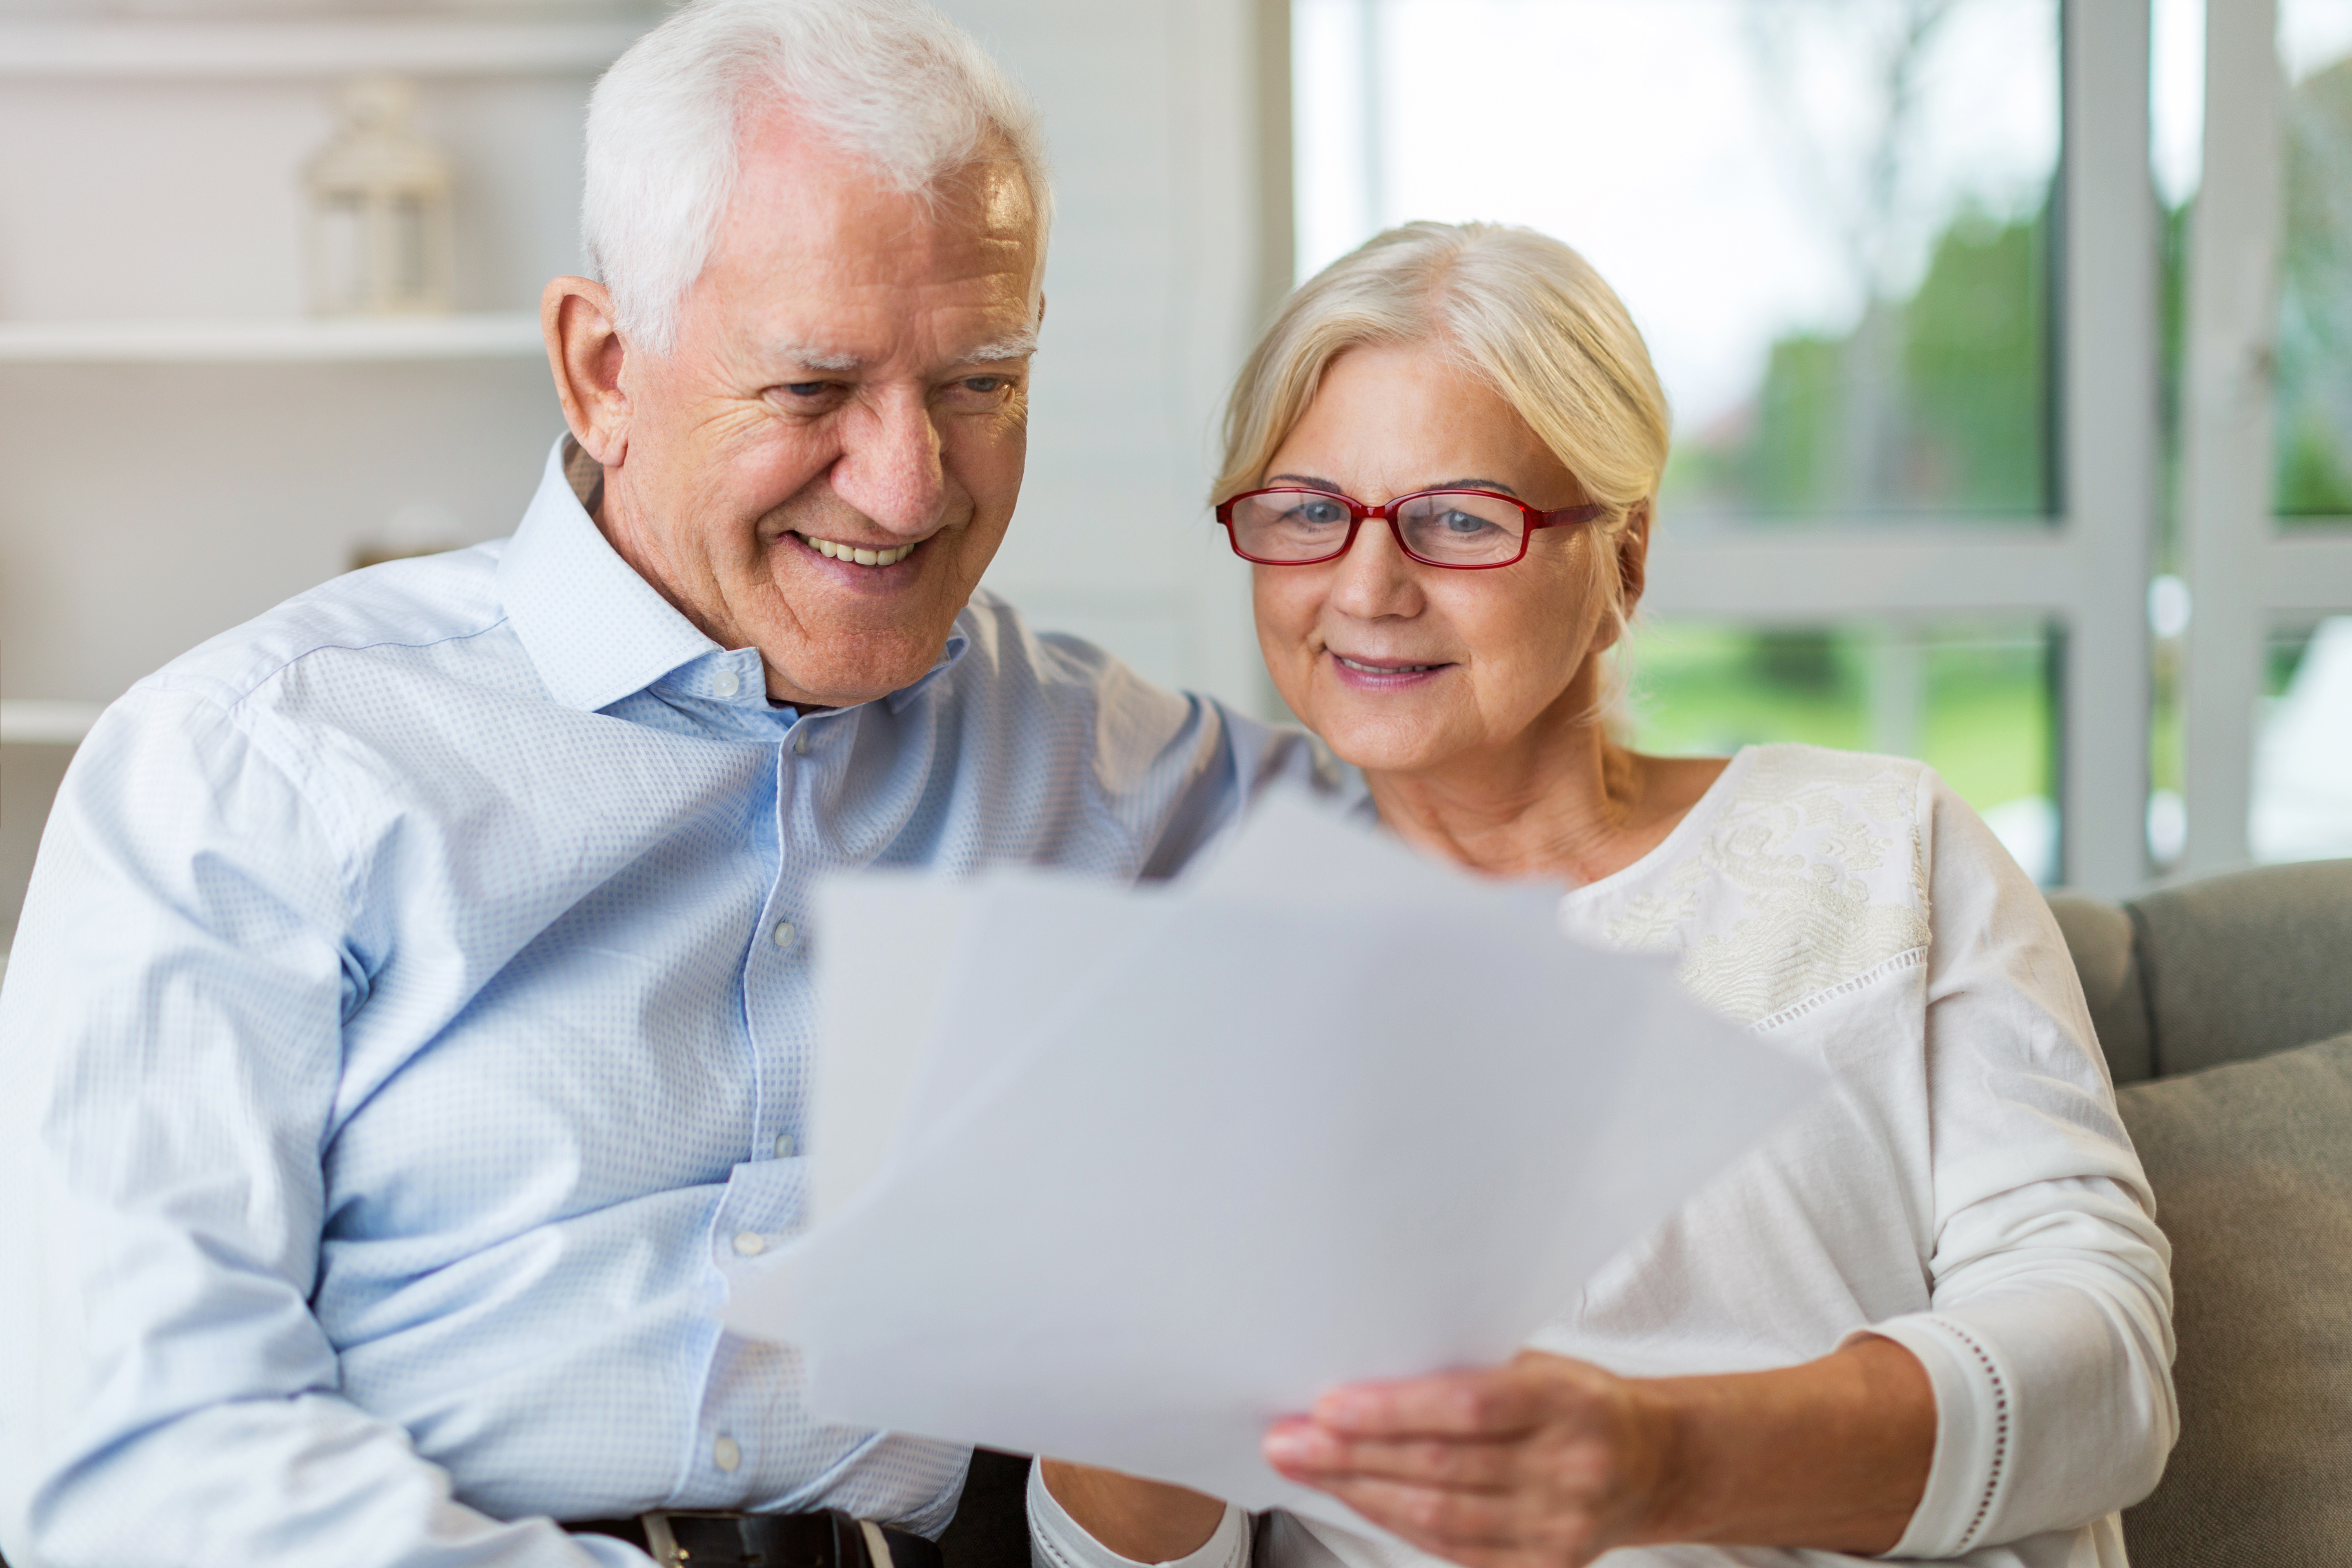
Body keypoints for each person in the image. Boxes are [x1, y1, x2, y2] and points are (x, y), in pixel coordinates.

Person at [0, 4, 1332, 1565]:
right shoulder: (253, 766)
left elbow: (1553, 910)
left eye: (981, 383)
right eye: (813, 389)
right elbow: (141, 1470)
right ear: (603, 366)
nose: (909, 488)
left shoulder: (1124, 770)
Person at [1029, 223, 2176, 1568]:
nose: (1366, 587)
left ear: (1624, 559)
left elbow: (2108, 1370)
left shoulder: (1883, 850)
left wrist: (1663, 1464)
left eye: (1459, 519)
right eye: (1307, 512)